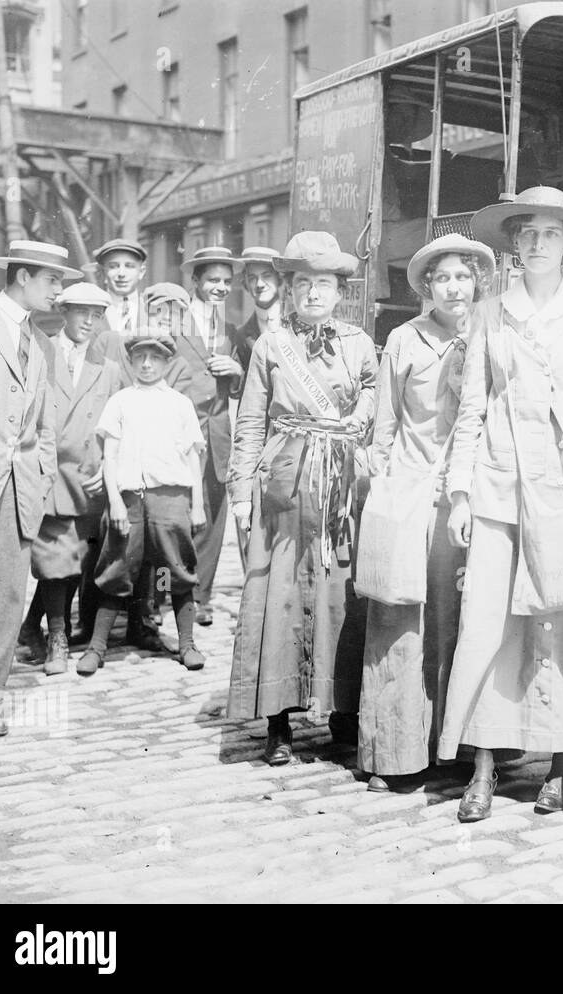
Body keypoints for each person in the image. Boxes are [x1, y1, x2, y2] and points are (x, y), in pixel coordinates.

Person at [438, 187, 563, 822]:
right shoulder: (490, 313)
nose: (538, 244)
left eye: (551, 234)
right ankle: (485, 764)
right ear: (514, 244)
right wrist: (460, 491)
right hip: (499, 486)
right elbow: (471, 407)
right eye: (527, 234)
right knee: (489, 622)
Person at [227, 231, 377, 766]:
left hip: (339, 487)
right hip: (284, 486)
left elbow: (374, 393)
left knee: (341, 591)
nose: (314, 293)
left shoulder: (359, 342)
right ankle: (278, 720)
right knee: (279, 595)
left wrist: (362, 417)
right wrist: (241, 490)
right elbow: (250, 419)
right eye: (303, 283)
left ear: (340, 291)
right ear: (289, 290)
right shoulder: (271, 345)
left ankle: (341, 713)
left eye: (325, 284)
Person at [357, 233, 495, 791]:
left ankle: (458, 747)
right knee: (401, 621)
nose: (454, 287)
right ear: (427, 287)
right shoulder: (404, 340)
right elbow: (385, 428)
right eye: (443, 278)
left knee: (459, 617)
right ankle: (395, 752)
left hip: (470, 498)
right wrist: (384, 494)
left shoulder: (492, 335)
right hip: (413, 494)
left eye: (464, 276)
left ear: (477, 283)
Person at [0, 240, 72, 734]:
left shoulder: (43, 342)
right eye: (53, 281)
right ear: (24, 276)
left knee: (7, 595)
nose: (59, 291)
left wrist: (41, 474)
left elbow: (44, 424)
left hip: (20, 487)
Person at [78, 331, 207, 676]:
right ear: (131, 361)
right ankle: (97, 646)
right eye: (140, 359)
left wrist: (197, 505)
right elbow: (110, 456)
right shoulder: (121, 401)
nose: (147, 365)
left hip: (170, 499)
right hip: (131, 500)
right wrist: (116, 503)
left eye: (155, 359)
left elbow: (193, 457)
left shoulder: (179, 403)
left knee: (171, 569)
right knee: (119, 567)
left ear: (167, 362)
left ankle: (185, 641)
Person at [22, 283, 126, 675]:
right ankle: (58, 638)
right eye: (81, 312)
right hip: (47, 471)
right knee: (54, 556)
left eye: (96, 315)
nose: (88, 321)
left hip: (87, 478)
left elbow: (114, 426)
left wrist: (107, 466)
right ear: (63, 311)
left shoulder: (108, 368)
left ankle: (32, 625)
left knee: (71, 560)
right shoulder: (38, 350)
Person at [176, 246, 245, 627]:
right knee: (175, 518)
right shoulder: (171, 321)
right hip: (180, 436)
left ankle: (200, 597)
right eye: (213, 280)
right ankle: (164, 595)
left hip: (217, 435)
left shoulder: (229, 328)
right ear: (196, 281)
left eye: (226, 281)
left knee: (212, 520)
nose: (220, 287)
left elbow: (236, 390)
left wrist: (234, 370)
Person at [235, 246, 285, 369]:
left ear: (279, 279)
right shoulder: (242, 335)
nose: (260, 284)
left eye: (266, 276)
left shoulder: (299, 320)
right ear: (245, 285)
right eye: (252, 278)